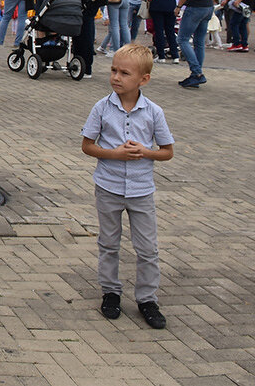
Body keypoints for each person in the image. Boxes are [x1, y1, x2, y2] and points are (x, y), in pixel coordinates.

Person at [81, 43, 174, 331]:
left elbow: (167, 151)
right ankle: (111, 292)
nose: (116, 77)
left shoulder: (153, 112)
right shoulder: (101, 107)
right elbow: (87, 146)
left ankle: (147, 299)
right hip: (108, 187)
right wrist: (115, 154)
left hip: (141, 190)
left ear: (143, 79)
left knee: (147, 247)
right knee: (109, 243)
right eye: (113, 70)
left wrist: (146, 152)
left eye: (124, 73)